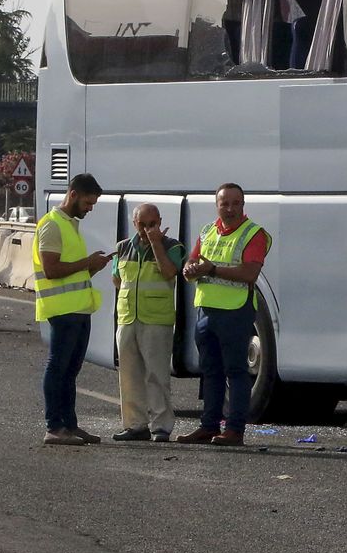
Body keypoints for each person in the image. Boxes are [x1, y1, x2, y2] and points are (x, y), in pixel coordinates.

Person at [177, 183, 271, 446]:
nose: (230, 209)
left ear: (243, 205)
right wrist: (189, 269)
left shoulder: (253, 233)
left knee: (236, 371)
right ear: (217, 205)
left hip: (235, 311)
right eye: (224, 204)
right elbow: (192, 260)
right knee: (210, 372)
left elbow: (250, 273)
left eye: (235, 203)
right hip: (206, 311)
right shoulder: (208, 231)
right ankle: (208, 426)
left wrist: (211, 270)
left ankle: (234, 430)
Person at [34, 173, 111, 447]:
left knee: (70, 370)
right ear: (73, 194)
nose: (90, 209)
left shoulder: (70, 225)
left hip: (78, 309)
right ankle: (54, 427)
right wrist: (86, 262)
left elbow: (73, 272)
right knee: (58, 367)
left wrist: (93, 266)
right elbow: (52, 270)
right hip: (63, 310)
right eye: (88, 203)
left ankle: (69, 425)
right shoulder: (52, 225)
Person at [111, 203, 184, 443]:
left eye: (152, 224)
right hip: (127, 318)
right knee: (129, 375)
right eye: (142, 225)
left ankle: (161, 426)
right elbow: (116, 279)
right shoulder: (123, 247)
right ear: (134, 224)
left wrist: (156, 244)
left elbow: (169, 272)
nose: (146, 230)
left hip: (156, 319)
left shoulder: (172, 246)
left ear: (160, 222)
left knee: (157, 375)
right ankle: (135, 425)